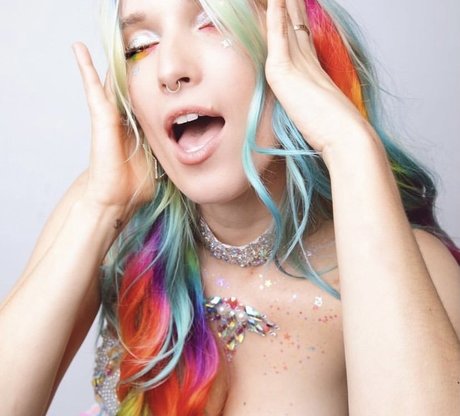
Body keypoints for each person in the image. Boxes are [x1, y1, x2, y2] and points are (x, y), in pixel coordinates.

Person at [1, 0, 459, 414]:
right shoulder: (109, 223)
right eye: (139, 47)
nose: (169, 70)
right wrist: (101, 206)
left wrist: (350, 146)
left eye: (212, 24)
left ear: (298, 50)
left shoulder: (413, 268)